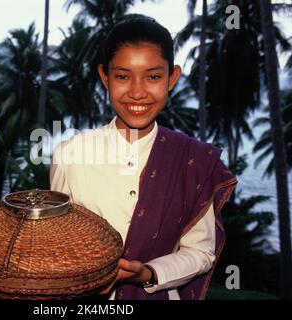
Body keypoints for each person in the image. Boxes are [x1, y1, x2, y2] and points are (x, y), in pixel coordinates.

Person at [49, 15, 238, 300]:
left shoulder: (193, 160)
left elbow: (200, 252)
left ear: (172, 78)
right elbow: (56, 243)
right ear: (105, 77)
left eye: (153, 76)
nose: (137, 93)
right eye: (123, 76)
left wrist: (148, 272)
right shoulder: (70, 155)